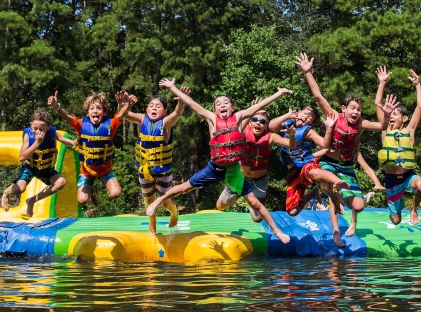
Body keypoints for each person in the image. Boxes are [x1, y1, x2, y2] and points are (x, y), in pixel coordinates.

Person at [145, 78, 292, 244]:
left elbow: (258, 107)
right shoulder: (211, 119)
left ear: (232, 107)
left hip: (234, 170)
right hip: (214, 168)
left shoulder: (239, 116)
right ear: (214, 109)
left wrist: (278, 93)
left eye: (226, 102)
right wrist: (173, 88)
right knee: (184, 187)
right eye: (218, 103)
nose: (222, 105)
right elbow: (192, 103)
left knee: (254, 203)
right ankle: (157, 202)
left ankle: (277, 231)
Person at [295, 53, 398, 242]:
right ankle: (336, 232)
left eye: (359, 109)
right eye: (352, 108)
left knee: (358, 205)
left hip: (347, 167)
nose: (356, 112)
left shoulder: (361, 124)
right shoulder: (334, 116)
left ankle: (348, 213)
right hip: (329, 163)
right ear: (344, 109)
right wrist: (308, 72)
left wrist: (387, 112)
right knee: (330, 187)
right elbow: (318, 96)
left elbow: (383, 126)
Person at [48, 90, 133, 213]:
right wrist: (57, 106)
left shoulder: (111, 124)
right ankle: (92, 190)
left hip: (105, 170)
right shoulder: (81, 124)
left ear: (104, 112)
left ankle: (101, 191)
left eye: (99, 108)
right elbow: (67, 117)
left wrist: (128, 105)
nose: (95, 111)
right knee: (82, 200)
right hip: (87, 171)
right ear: (87, 113)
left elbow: (121, 115)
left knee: (116, 194)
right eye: (92, 108)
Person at [122, 89, 190, 233]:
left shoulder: (166, 123)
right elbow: (124, 114)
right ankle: (152, 219)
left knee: (165, 202)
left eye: (158, 106)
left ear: (164, 111)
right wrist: (124, 104)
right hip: (144, 170)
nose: (154, 108)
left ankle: (174, 213)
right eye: (151, 105)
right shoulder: (141, 119)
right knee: (148, 199)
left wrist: (181, 102)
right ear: (146, 109)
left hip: (163, 171)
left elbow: (177, 113)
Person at [216, 109, 296, 222]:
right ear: (249, 122)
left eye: (263, 122)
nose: (258, 123)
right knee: (220, 206)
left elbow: (291, 145)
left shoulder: (271, 137)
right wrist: (249, 112)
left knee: (257, 219)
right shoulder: (243, 132)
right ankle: (242, 195)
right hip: (239, 178)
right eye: (255, 120)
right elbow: (233, 126)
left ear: (266, 126)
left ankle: (251, 201)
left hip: (258, 181)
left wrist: (291, 135)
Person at [0, 108, 77, 220]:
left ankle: (32, 200)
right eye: (35, 128)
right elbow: (22, 157)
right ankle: (6, 193)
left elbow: (63, 139)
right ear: (31, 124)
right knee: (20, 189)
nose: (38, 131)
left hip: (46, 169)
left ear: (48, 127)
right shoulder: (28, 136)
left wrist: (75, 142)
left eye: (42, 128)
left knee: (61, 182)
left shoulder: (52, 133)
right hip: (30, 168)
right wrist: (37, 143)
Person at [373, 66, 421, 225]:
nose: (391, 116)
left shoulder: (409, 130)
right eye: (391, 114)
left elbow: (420, 107)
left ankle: (413, 209)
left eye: (395, 114)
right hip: (391, 179)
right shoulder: (385, 129)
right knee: (395, 220)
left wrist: (418, 85)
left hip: (408, 176)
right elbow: (377, 104)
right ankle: (397, 205)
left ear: (404, 119)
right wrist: (382, 83)